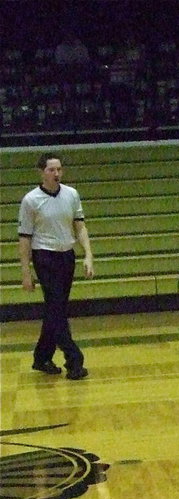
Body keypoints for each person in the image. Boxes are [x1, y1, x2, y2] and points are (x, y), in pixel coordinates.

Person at [18, 152, 94, 380]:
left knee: (56, 310)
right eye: (51, 170)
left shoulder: (71, 195)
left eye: (59, 169)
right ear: (42, 172)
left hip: (66, 257)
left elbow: (80, 227)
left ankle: (41, 357)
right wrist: (26, 271)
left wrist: (88, 255)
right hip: (45, 258)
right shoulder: (30, 200)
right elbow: (24, 238)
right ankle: (74, 359)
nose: (57, 174)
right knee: (57, 308)